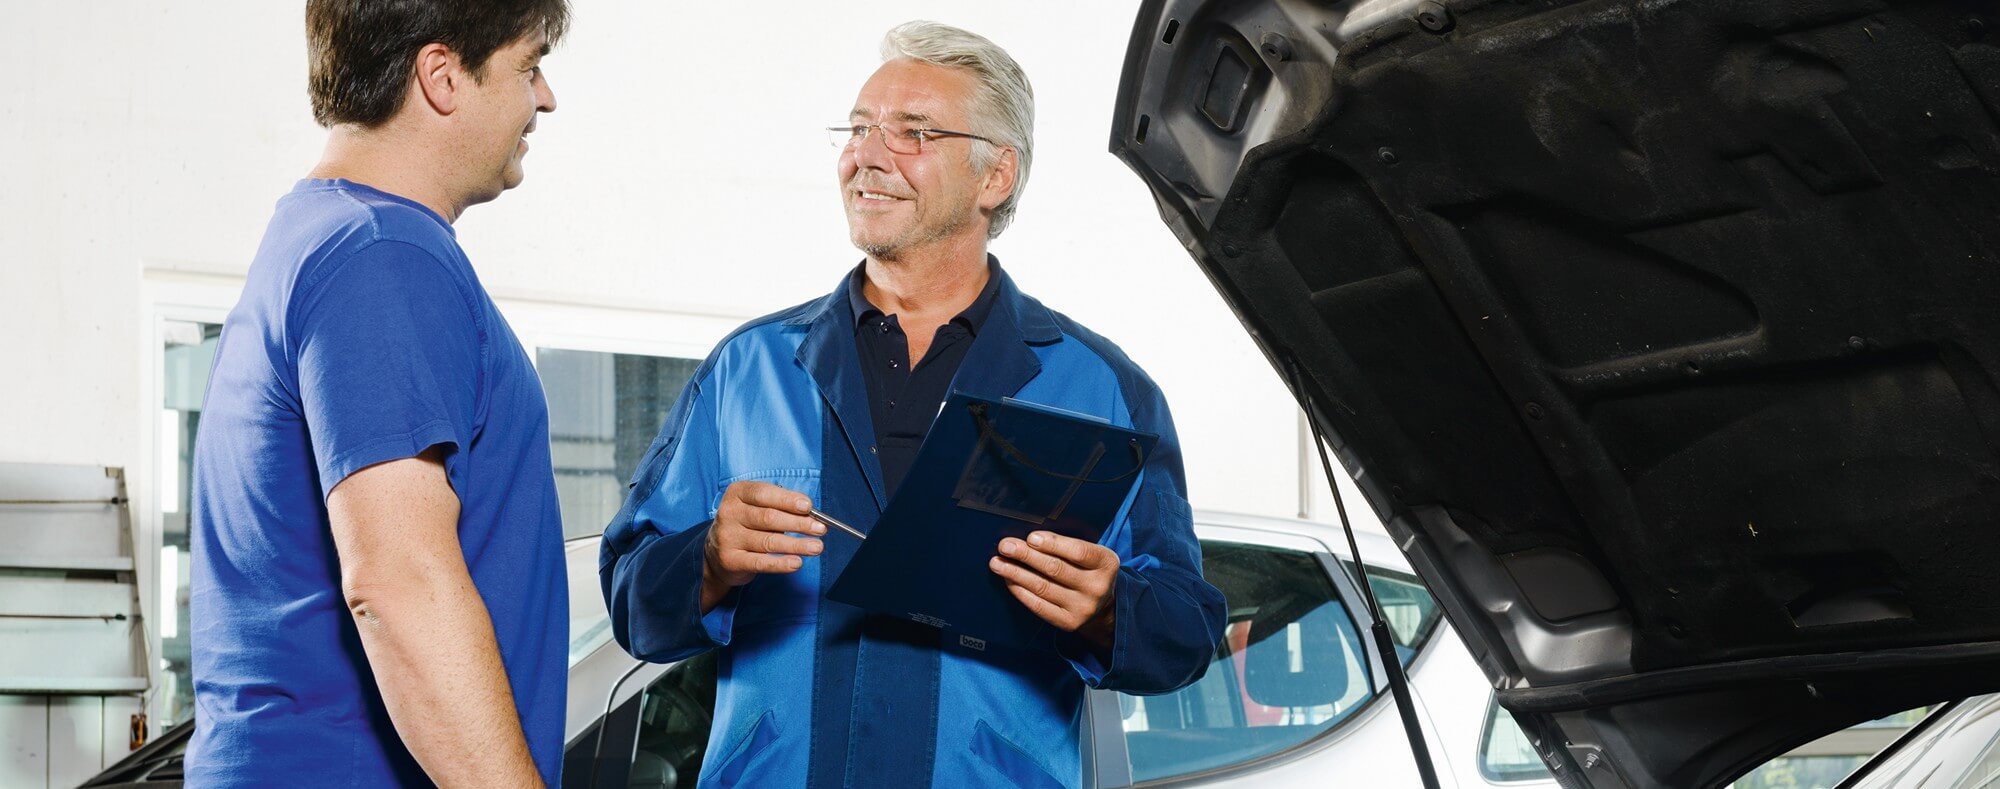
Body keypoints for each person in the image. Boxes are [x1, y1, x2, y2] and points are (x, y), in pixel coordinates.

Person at [599, 20, 1226, 788]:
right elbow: (630, 596)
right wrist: (706, 560)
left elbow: (1187, 630)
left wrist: (1109, 607)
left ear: (995, 176)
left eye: (913, 132)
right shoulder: (747, 369)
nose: (867, 154)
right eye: (859, 128)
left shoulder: (1102, 390)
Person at [186, 1, 571, 785]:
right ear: (441, 77)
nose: (545, 98)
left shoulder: (317, 236)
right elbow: (399, 586)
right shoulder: (382, 254)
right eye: (527, 66)